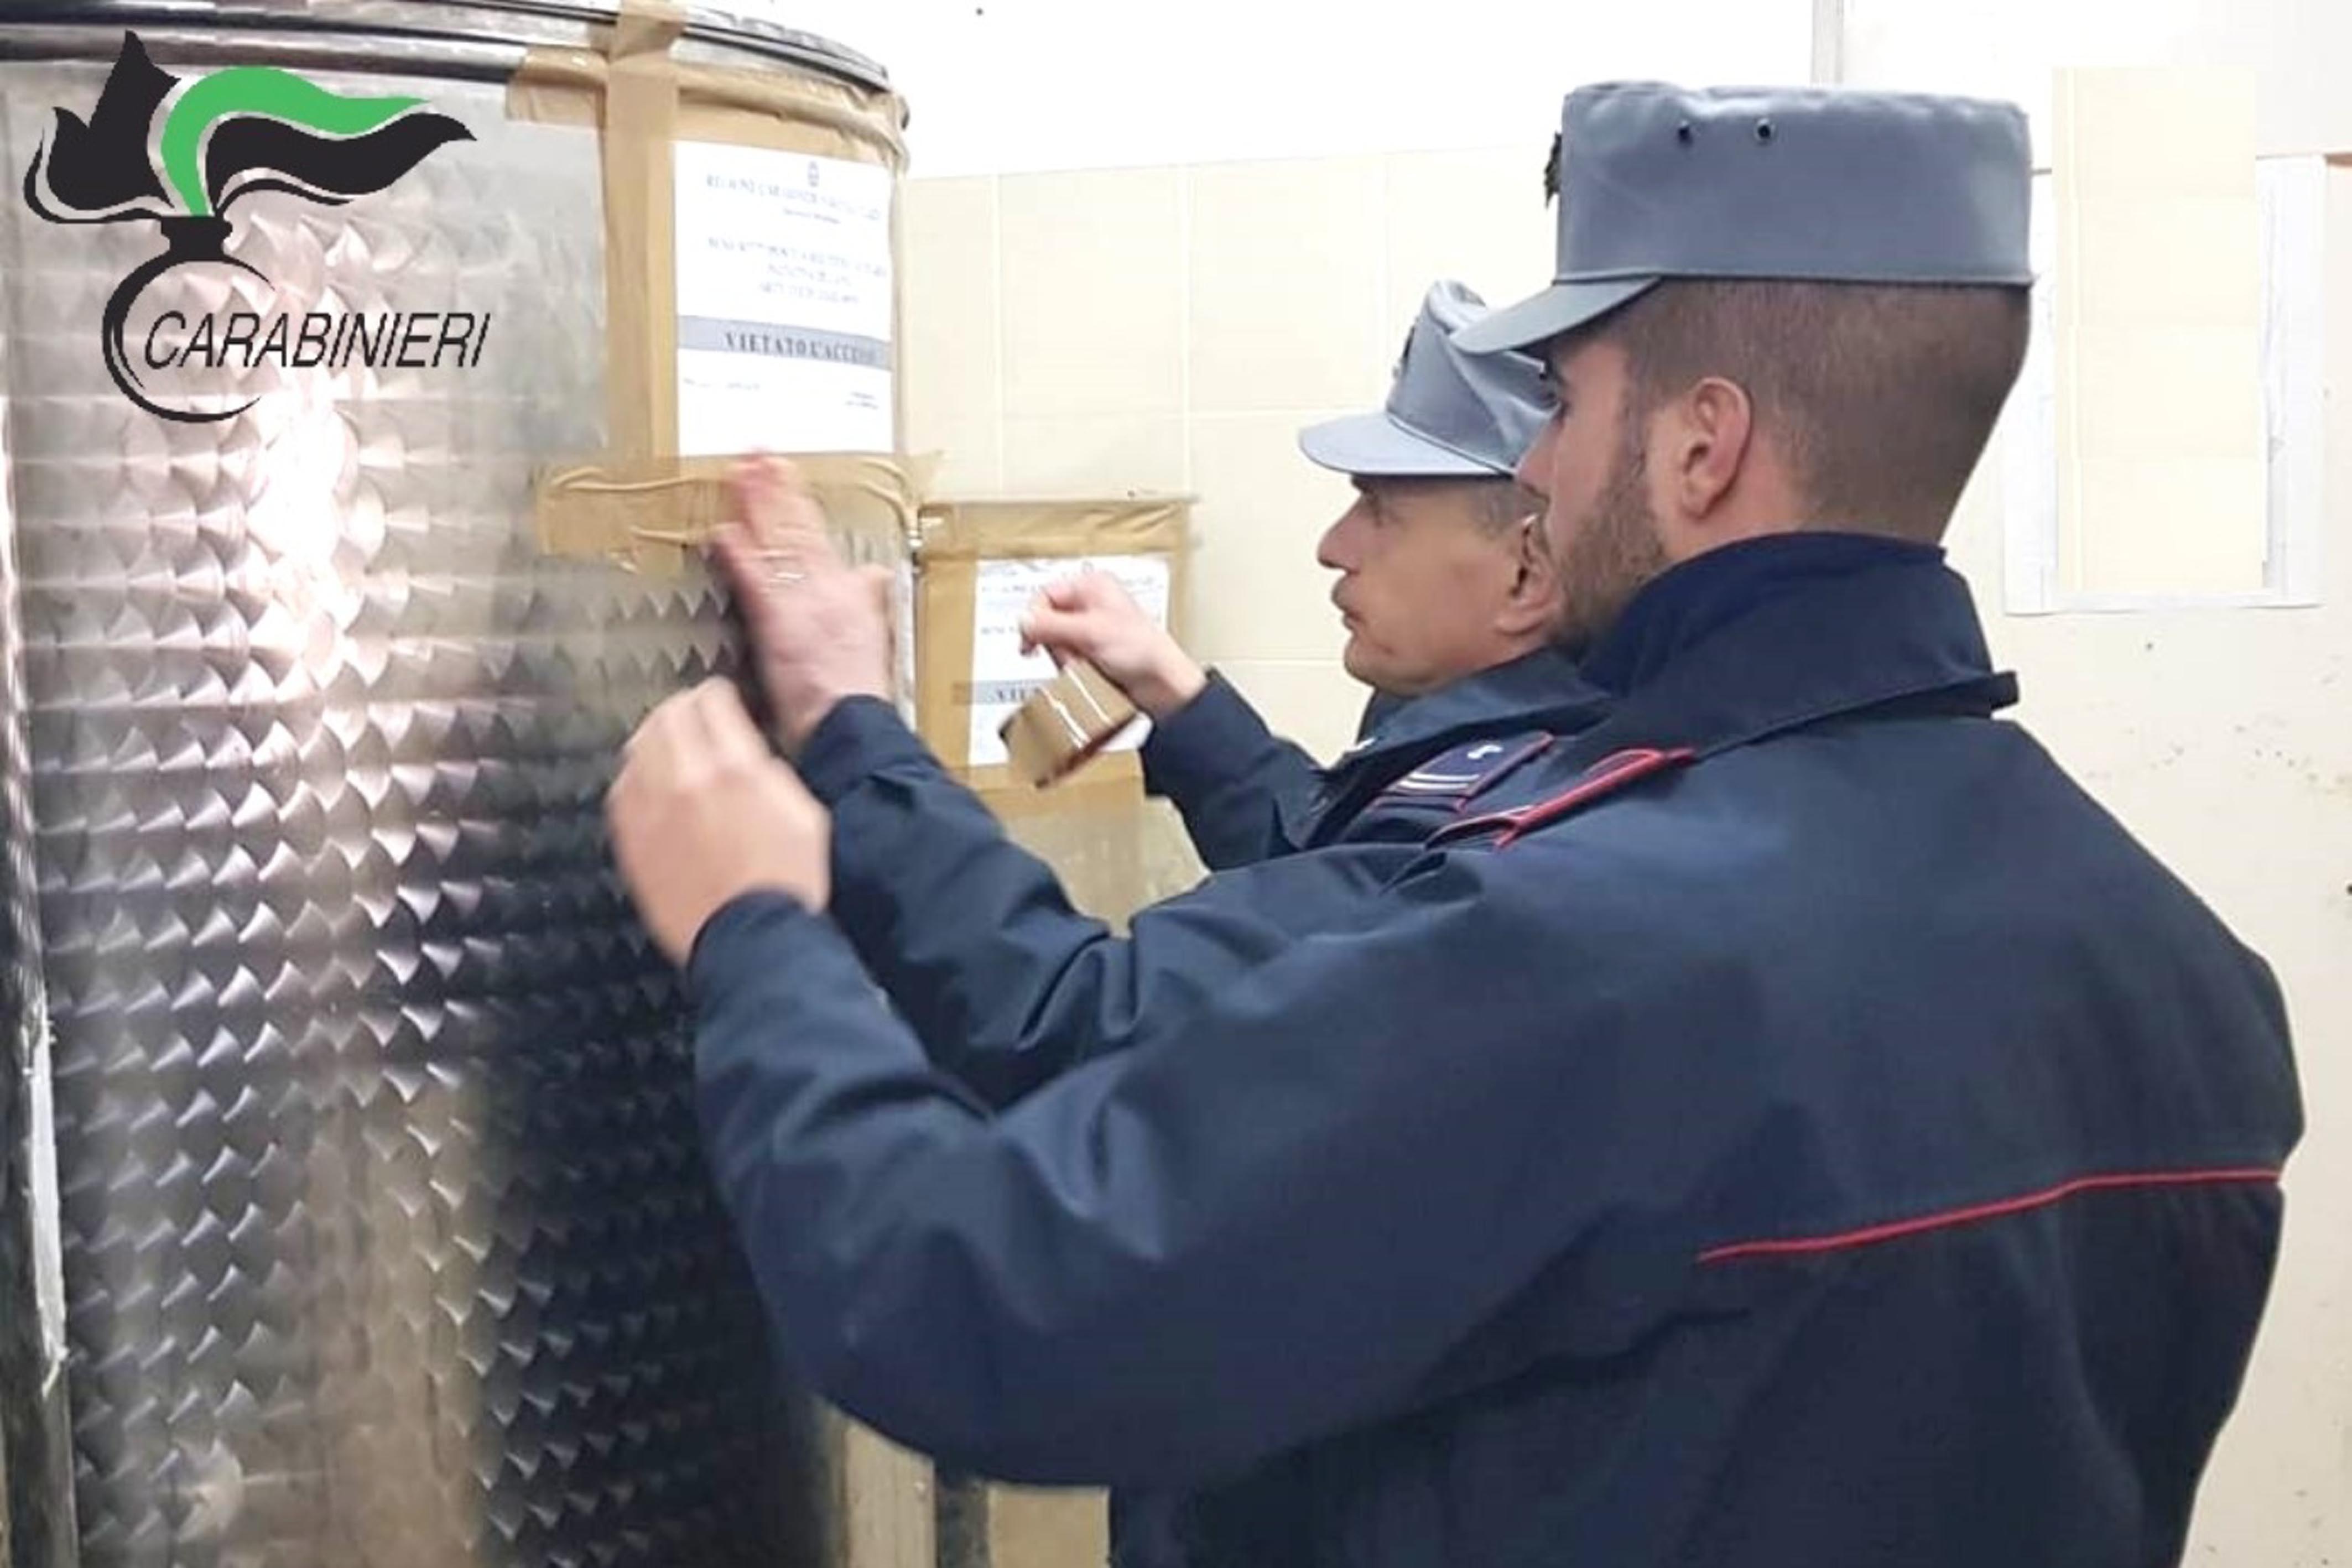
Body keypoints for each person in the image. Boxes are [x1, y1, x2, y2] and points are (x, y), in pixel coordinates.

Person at [607, 82, 2303, 1568]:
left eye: (1561, 405)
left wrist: (759, 932)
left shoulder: (1595, 951)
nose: (1538, 475)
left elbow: (983, 1305)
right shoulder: (2185, 977)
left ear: (1701, 446)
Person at [1025, 279, 1585, 871]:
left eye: (1380, 511)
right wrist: (1171, 688)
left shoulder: (1528, 825)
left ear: (1525, 574)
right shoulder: (1439, 713)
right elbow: (1318, 856)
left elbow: (1328, 902)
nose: (1331, 548)